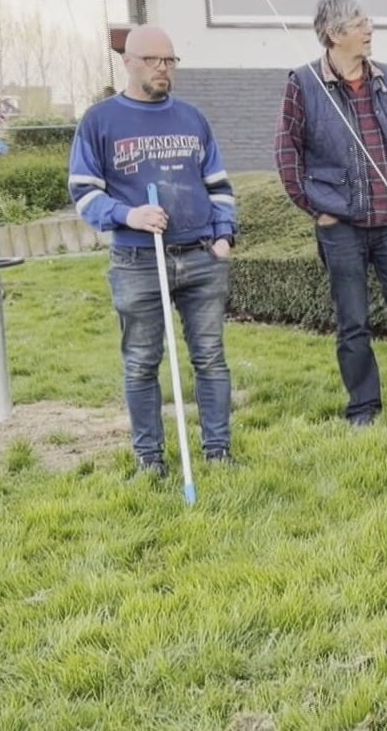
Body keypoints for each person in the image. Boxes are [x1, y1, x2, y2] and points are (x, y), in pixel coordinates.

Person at [69, 25, 239, 478]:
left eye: (170, 61)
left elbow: (219, 185)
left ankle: (218, 452)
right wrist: (130, 216)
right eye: (153, 61)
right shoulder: (99, 122)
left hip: (203, 255)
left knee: (210, 358)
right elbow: (83, 193)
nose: (164, 69)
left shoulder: (192, 119)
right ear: (128, 60)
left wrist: (224, 235)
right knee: (142, 361)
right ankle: (151, 460)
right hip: (138, 262)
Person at [274, 0, 387, 428]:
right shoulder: (303, 83)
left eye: (368, 21)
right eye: (360, 23)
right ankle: (363, 408)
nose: (370, 29)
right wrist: (317, 209)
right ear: (334, 34)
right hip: (342, 227)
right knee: (353, 322)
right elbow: (286, 154)